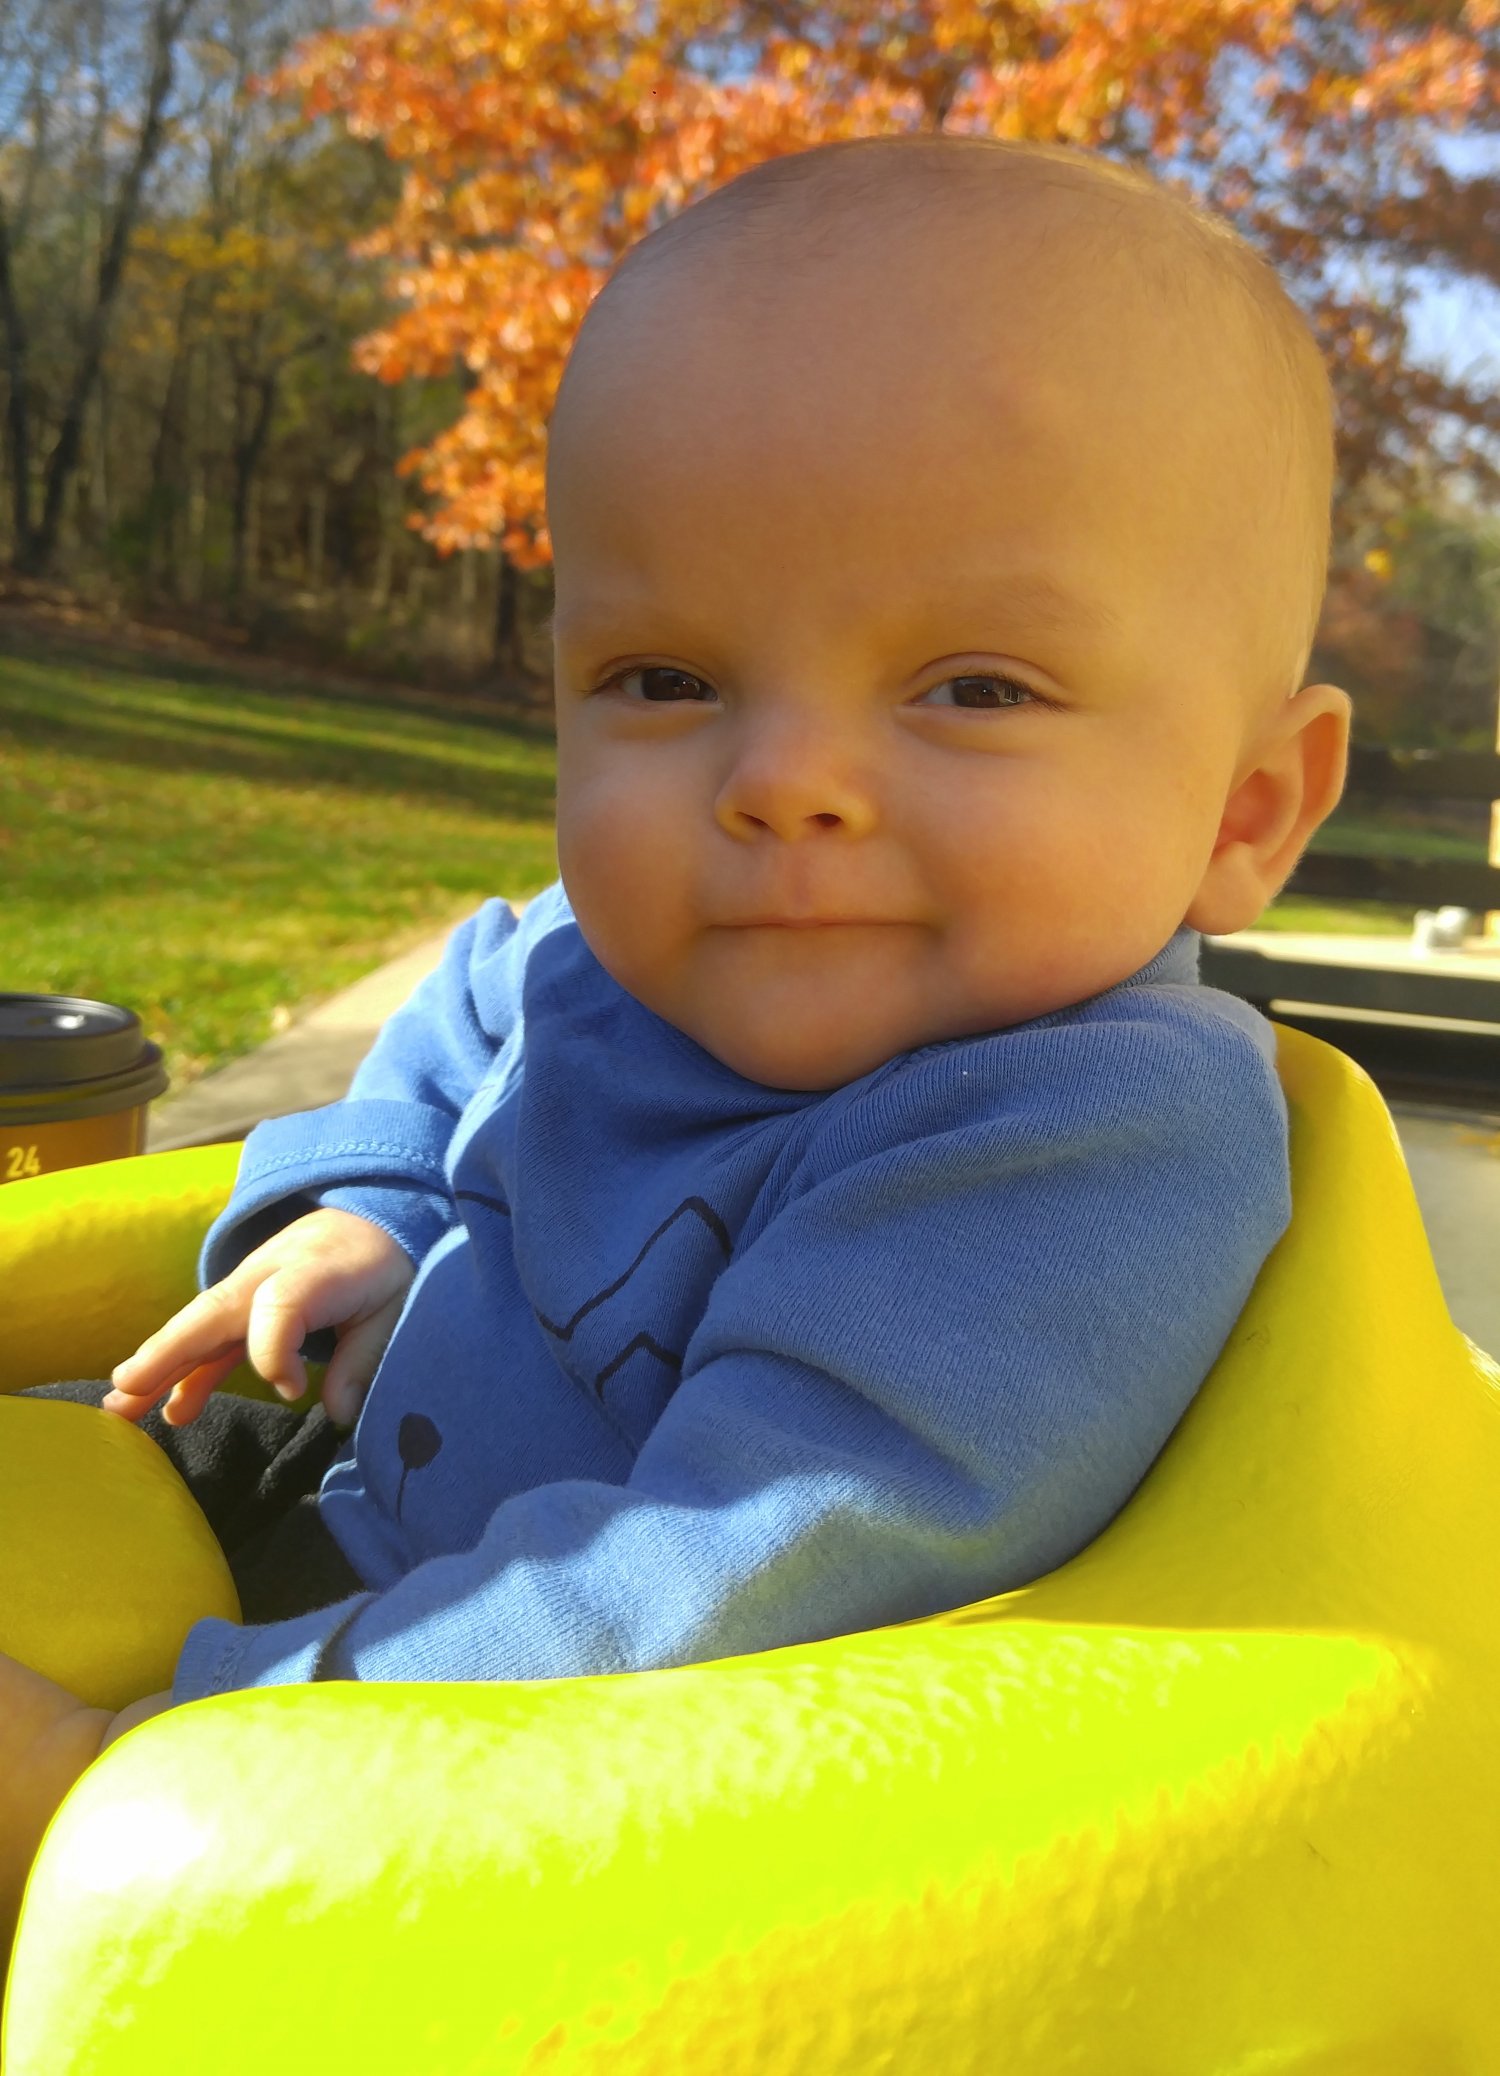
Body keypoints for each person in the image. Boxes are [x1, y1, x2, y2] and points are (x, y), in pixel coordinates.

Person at [0, 131, 1352, 1948]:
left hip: (543, 1786)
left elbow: (711, 1587)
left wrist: (139, 1776)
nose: (781, 781)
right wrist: (371, 1208)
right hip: (343, 1483)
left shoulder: (1089, 1139)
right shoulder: (654, 944)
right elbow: (479, 988)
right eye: (669, 679)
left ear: (1248, 810)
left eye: (974, 687)